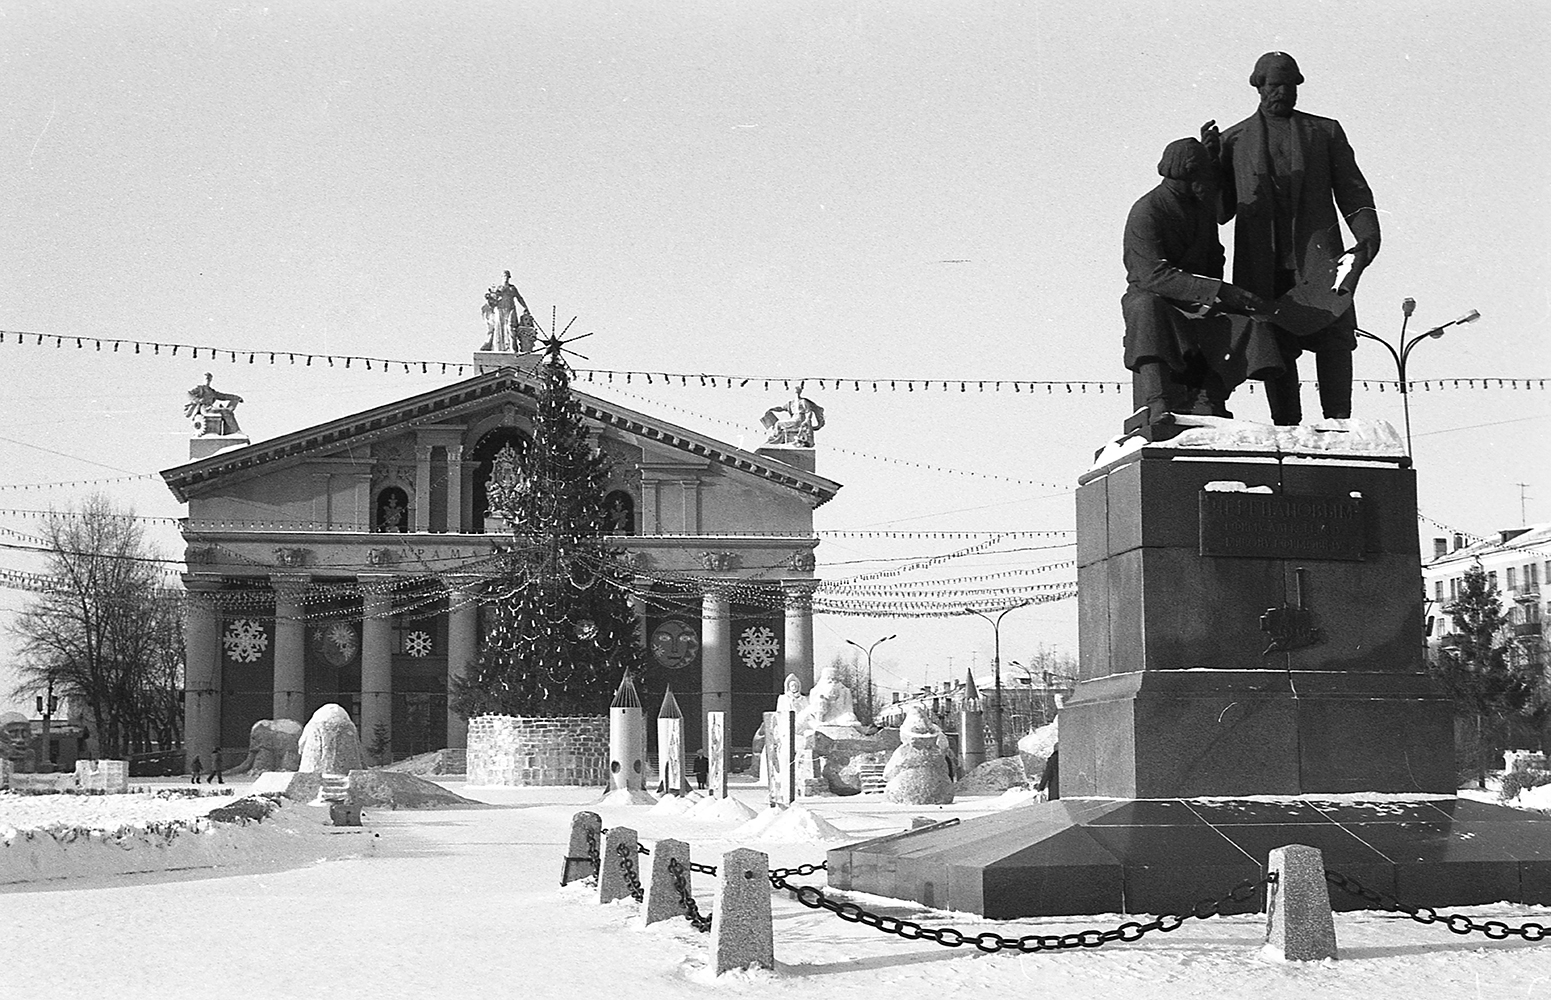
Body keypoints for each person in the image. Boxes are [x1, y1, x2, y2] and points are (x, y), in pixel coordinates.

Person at [1203, 51, 1381, 425]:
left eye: (1288, 85)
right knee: (1276, 344)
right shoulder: (1234, 141)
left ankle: (1339, 420)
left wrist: (1366, 237)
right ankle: (1287, 425)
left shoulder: (1325, 131)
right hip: (1262, 263)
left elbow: (1353, 191)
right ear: (1258, 87)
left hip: (1320, 260)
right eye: (1273, 85)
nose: (1280, 92)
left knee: (1334, 339)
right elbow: (1221, 212)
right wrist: (1209, 168)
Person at [1122, 137, 1279, 428]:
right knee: (1146, 308)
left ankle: (1211, 395)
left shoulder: (1201, 210)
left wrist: (1226, 295)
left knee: (1250, 323)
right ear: (1185, 173)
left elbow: (1213, 261)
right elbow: (1150, 275)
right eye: (1202, 174)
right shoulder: (1147, 210)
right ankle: (1158, 402)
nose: (1207, 182)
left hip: (1198, 300)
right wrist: (1219, 291)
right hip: (1157, 298)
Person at [493, 270, 531, 352]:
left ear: (509, 277)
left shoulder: (512, 288)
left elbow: (519, 298)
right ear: (502, 277)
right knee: (501, 328)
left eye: (507, 276)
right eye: (504, 276)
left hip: (510, 309)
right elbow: (494, 300)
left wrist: (525, 307)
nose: (506, 278)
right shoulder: (499, 288)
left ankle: (513, 347)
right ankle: (502, 348)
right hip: (501, 310)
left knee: (511, 328)